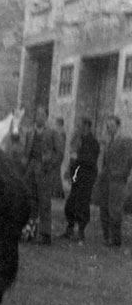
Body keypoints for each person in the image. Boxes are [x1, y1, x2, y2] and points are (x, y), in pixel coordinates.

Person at [23, 105, 61, 245]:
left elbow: (59, 153)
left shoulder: (52, 133)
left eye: (42, 115)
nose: (39, 117)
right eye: (37, 114)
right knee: (30, 201)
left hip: (44, 170)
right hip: (31, 168)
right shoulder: (30, 132)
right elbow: (26, 151)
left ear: (46, 117)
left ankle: (45, 234)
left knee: (44, 202)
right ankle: (30, 231)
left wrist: (50, 165)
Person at [61, 118, 100, 242]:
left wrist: (78, 158)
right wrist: (70, 169)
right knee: (71, 204)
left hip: (86, 177)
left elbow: (90, 160)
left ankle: (81, 231)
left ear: (88, 127)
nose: (79, 128)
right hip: (76, 177)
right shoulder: (78, 140)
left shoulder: (93, 142)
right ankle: (70, 228)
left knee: (82, 204)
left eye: (81, 126)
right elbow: (72, 156)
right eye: (79, 126)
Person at [97, 115, 132, 248]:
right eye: (107, 126)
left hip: (117, 180)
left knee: (115, 209)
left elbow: (129, 160)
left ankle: (115, 238)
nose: (109, 128)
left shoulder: (125, 141)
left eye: (111, 126)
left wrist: (122, 174)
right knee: (104, 207)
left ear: (118, 126)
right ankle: (107, 236)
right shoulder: (108, 141)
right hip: (106, 179)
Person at [52, 116, 66, 199]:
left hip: (58, 154)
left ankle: (58, 192)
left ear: (59, 123)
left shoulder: (60, 132)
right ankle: (57, 191)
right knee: (56, 173)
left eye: (56, 122)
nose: (55, 124)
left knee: (56, 173)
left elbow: (59, 144)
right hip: (59, 154)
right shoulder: (60, 131)